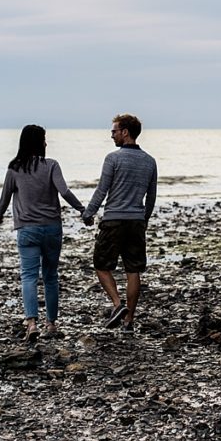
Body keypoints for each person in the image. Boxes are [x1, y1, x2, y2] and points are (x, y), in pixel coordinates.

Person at [0, 125, 86, 342]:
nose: (46, 143)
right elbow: (64, 191)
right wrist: (82, 209)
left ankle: (32, 323)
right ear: (38, 142)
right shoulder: (51, 165)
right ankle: (51, 324)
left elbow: (5, 195)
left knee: (28, 276)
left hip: (27, 229)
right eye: (44, 139)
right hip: (52, 228)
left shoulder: (14, 168)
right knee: (50, 277)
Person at [81, 114, 158, 333]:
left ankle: (117, 304)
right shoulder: (149, 161)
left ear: (125, 132)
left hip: (114, 220)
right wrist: (144, 220)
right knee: (133, 270)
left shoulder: (113, 158)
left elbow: (102, 190)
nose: (112, 135)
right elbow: (151, 197)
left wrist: (88, 213)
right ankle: (128, 322)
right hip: (136, 222)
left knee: (101, 265)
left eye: (114, 131)